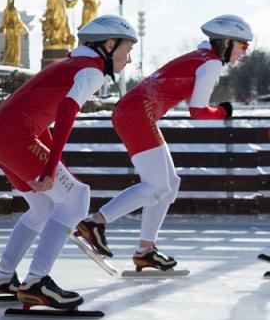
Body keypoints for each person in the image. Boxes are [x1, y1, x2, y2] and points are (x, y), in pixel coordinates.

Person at [0, 15, 137, 310]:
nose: (128, 60)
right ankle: (37, 282)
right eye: (126, 51)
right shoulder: (91, 71)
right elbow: (66, 110)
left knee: (44, 206)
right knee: (78, 198)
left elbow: (43, 116)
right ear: (108, 45)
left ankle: (2, 278)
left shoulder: (70, 65)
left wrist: (56, 163)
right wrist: (52, 168)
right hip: (14, 135)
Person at [74, 15, 252, 270]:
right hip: (138, 115)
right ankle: (95, 223)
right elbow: (199, 111)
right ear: (226, 42)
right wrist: (224, 111)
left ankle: (145, 250)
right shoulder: (211, 63)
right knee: (157, 185)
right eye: (243, 46)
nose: (244, 52)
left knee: (169, 185)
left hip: (136, 113)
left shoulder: (199, 57)